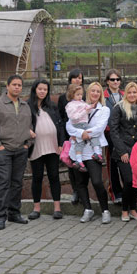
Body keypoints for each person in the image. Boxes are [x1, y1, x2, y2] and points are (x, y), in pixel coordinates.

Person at [0, 75, 33, 230]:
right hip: (3, 150)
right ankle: (0, 216)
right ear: (7, 86)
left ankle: (14, 213)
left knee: (17, 183)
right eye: (14, 84)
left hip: (20, 150)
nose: (17, 87)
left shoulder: (25, 106)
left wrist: (27, 144)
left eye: (19, 85)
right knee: (3, 182)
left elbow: (29, 127)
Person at [66, 82, 112, 224]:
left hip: (93, 151)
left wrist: (83, 133)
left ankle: (105, 210)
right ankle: (88, 209)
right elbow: (69, 125)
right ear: (88, 92)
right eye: (93, 90)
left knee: (97, 181)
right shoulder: (78, 105)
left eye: (98, 91)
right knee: (80, 182)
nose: (95, 93)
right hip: (78, 150)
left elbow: (99, 128)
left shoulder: (104, 110)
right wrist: (81, 133)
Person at [27, 79, 64, 220]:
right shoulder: (28, 105)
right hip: (36, 147)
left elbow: (60, 125)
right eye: (40, 89)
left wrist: (61, 143)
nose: (42, 91)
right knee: (37, 178)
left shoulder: (52, 106)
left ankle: (57, 208)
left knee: (54, 176)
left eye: (45, 89)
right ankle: (36, 208)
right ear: (35, 89)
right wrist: (28, 131)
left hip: (52, 147)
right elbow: (23, 123)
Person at [109, 82, 137, 222]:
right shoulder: (118, 108)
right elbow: (114, 131)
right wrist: (122, 151)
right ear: (125, 94)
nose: (132, 95)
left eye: (134, 92)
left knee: (136, 181)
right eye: (129, 92)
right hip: (123, 150)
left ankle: (132, 210)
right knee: (128, 180)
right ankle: (124, 210)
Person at [57, 68, 84, 205]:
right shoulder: (63, 98)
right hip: (71, 136)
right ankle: (76, 190)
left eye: (80, 78)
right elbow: (62, 120)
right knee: (72, 164)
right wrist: (63, 139)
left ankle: (82, 190)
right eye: (75, 78)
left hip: (85, 135)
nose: (78, 80)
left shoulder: (84, 97)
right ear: (70, 80)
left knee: (85, 164)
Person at [65, 84, 103, 171]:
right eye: (77, 94)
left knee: (80, 142)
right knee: (92, 135)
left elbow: (86, 108)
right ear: (72, 95)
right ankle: (96, 152)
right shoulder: (71, 105)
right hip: (80, 124)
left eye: (81, 94)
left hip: (82, 124)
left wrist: (90, 107)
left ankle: (79, 160)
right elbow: (73, 117)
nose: (80, 96)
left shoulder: (81, 102)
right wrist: (85, 111)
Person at [103, 69, 124, 204]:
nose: (115, 82)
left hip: (124, 133)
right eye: (112, 80)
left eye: (117, 79)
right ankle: (115, 192)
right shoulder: (103, 96)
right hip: (109, 133)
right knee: (112, 164)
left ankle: (130, 191)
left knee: (126, 164)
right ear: (107, 82)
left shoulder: (125, 95)